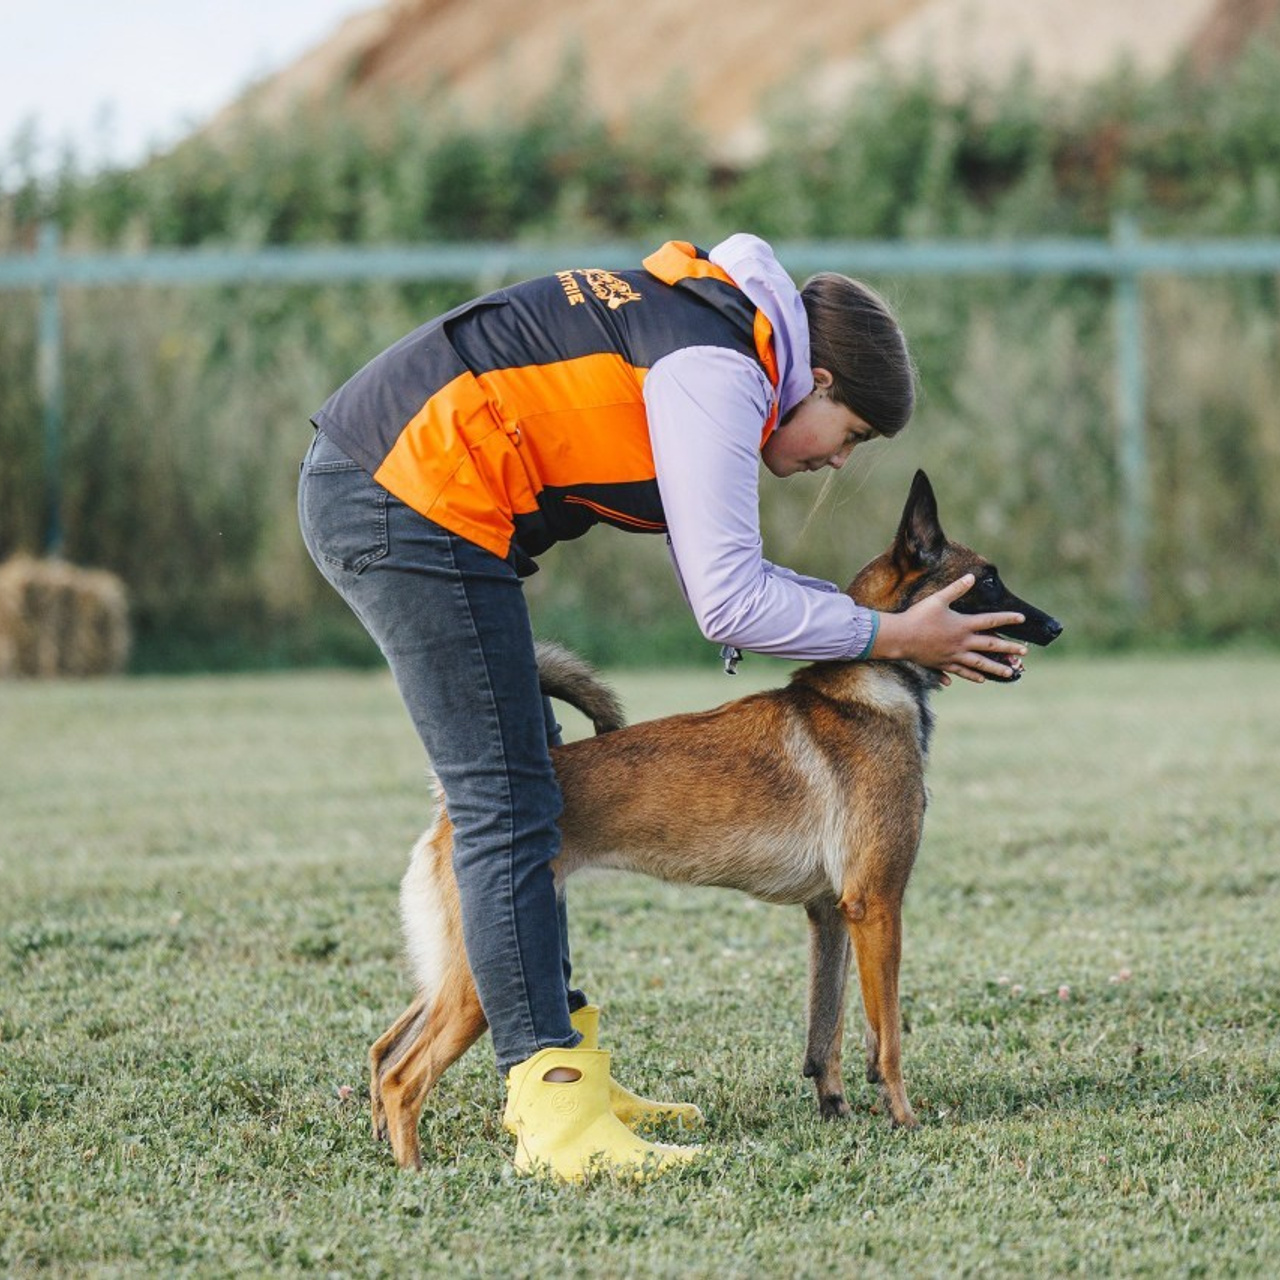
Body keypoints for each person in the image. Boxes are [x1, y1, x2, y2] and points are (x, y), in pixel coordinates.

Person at [297, 233, 1027, 1181]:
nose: (837, 462)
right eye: (847, 435)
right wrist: (891, 636)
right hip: (404, 492)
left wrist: (864, 628)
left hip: (420, 490)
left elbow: (733, 571)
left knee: (530, 801)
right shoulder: (719, 368)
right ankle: (555, 1116)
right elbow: (728, 599)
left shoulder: (709, 332)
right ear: (819, 379)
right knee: (509, 806)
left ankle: (573, 1075)